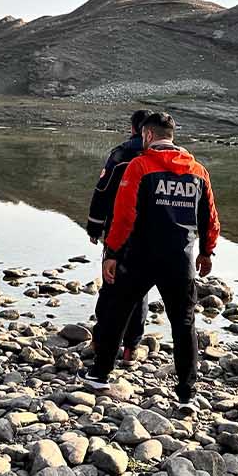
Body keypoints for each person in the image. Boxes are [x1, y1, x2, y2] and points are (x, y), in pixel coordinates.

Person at [83, 112, 219, 405]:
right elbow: (210, 218)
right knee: (183, 324)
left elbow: (124, 215)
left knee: (118, 312)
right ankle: (187, 392)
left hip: (139, 257)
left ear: (146, 136)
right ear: (172, 136)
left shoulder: (139, 166)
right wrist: (207, 252)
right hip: (180, 260)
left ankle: (100, 374)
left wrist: (113, 253)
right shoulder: (198, 171)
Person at [86, 110, 151, 362]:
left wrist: (94, 227)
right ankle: (130, 348)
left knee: (111, 284)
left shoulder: (121, 154)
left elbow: (102, 191)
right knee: (140, 290)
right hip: (152, 235)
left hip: (118, 233)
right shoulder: (164, 157)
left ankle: (100, 342)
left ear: (134, 128)